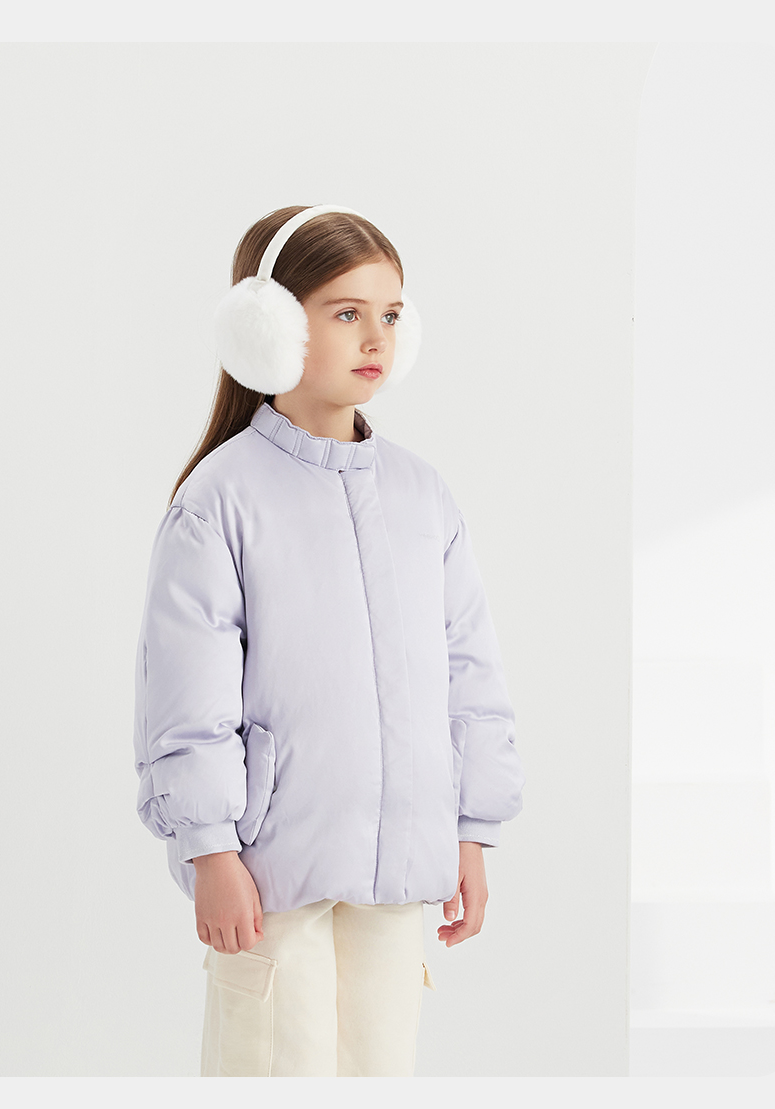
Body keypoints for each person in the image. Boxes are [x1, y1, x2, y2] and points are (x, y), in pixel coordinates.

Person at [132, 205, 526, 1078]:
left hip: (398, 869)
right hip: (271, 874)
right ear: (268, 324)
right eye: (346, 312)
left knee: (381, 1073)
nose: (376, 337)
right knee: (276, 1068)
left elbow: (469, 672)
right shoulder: (221, 499)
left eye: (391, 313)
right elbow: (187, 695)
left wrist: (470, 831)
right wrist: (210, 848)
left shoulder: (422, 494)